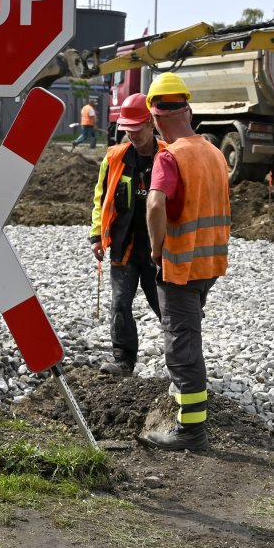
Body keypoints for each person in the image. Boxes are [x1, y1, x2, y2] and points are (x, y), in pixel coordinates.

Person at [140, 72, 230, 452]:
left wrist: (155, 249)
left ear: (156, 119)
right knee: (188, 335)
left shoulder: (169, 156)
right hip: (208, 264)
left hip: (179, 266)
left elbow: (155, 203)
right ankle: (186, 408)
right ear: (188, 109)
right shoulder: (214, 152)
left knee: (182, 345)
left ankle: (191, 432)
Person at [90, 93, 165, 376]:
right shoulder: (114, 158)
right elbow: (101, 199)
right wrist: (97, 235)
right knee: (120, 303)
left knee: (165, 305)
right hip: (124, 245)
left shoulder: (168, 155)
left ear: (150, 123)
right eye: (127, 130)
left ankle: (182, 358)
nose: (131, 135)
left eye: (136, 129)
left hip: (160, 250)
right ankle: (123, 360)